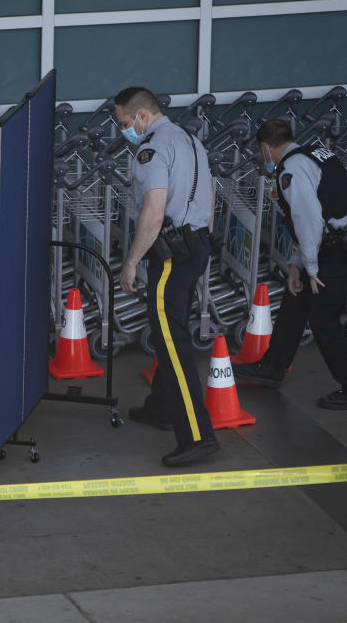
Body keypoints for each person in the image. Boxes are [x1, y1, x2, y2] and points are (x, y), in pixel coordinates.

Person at [233, 119, 347, 409]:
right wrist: (296, 267)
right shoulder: (314, 153)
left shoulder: (290, 170)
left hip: (344, 248)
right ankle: (272, 367)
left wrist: (310, 267)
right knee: (296, 298)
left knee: (323, 316)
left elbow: (308, 220)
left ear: (264, 148)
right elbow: (319, 217)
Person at [115, 86, 219, 467]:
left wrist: (131, 262)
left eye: (125, 123)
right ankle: (161, 407)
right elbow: (208, 196)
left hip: (171, 256)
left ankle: (196, 435)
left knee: (173, 345)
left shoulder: (151, 149)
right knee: (168, 332)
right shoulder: (190, 140)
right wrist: (198, 239)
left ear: (142, 116)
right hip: (196, 247)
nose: (124, 130)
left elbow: (154, 213)